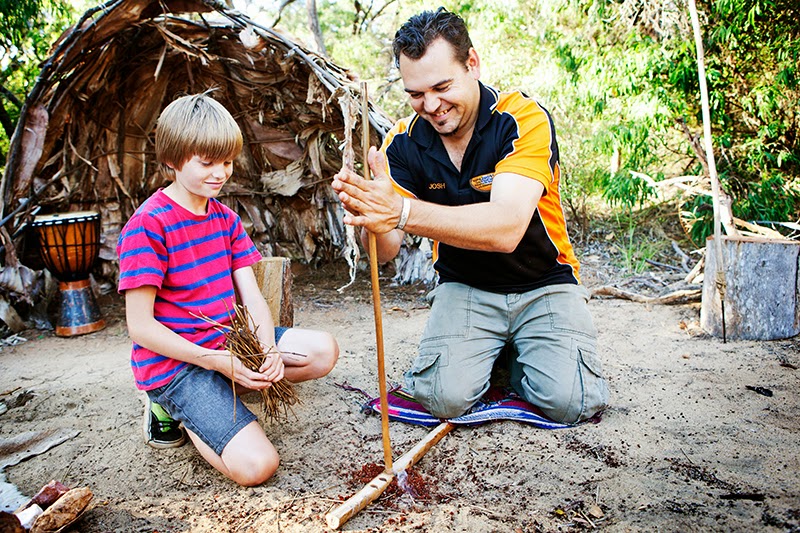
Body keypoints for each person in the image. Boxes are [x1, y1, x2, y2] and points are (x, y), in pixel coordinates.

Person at [332, 8, 608, 424]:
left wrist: (402, 210)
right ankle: (496, 352)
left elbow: (506, 228)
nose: (431, 105)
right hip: (464, 286)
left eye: (442, 86)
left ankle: (511, 352)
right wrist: (370, 214)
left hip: (545, 283)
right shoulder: (401, 145)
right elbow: (387, 250)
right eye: (415, 93)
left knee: (572, 402)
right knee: (444, 399)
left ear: (472, 64)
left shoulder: (522, 119)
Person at [117, 92, 339, 486]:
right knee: (257, 467)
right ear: (171, 159)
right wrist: (211, 360)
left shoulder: (225, 218)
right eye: (207, 162)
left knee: (322, 352)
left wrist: (267, 347)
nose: (220, 173)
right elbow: (140, 327)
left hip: (230, 344)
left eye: (227, 161)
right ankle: (172, 410)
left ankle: (218, 396)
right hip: (180, 363)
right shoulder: (148, 225)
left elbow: (251, 296)